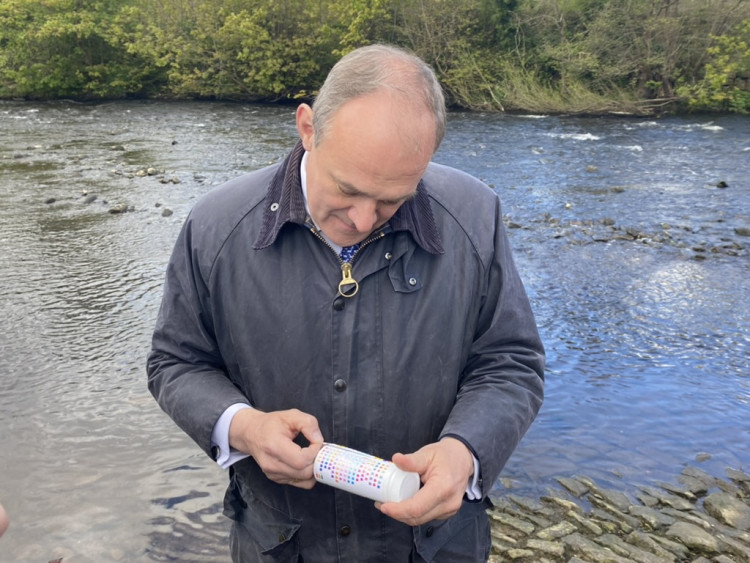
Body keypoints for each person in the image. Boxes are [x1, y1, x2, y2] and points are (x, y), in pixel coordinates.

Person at [147, 44, 544, 562]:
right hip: (280, 542)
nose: (363, 220)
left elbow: (510, 363)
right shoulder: (215, 227)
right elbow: (175, 362)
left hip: (435, 547)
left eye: (392, 200)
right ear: (308, 127)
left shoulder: (475, 217)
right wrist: (244, 426)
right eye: (347, 189)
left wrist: (465, 451)